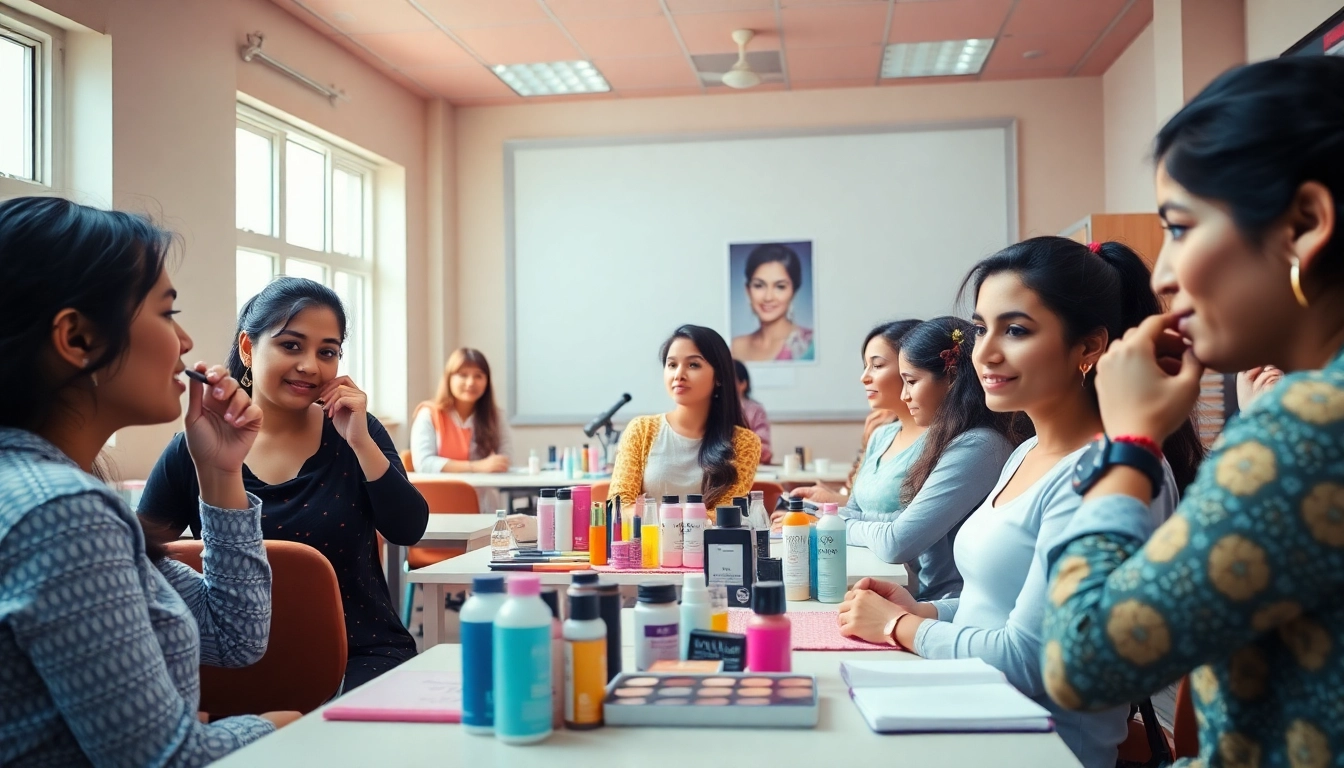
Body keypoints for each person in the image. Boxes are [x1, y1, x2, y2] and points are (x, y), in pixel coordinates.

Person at [1040, 56, 1344, 768]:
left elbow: (1079, 662)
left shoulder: (1309, 427)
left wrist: (1132, 443)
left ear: (1304, 224)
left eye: (1179, 228)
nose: (1163, 275)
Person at [838, 236, 1205, 768]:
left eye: (1016, 330)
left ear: (1089, 348)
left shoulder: (1113, 472)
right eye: (982, 328)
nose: (983, 352)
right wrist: (928, 609)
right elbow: (1001, 603)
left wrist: (900, 627)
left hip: (1043, 746)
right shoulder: (1026, 450)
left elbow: (1030, 660)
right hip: (979, 712)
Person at [0, 197, 297, 766]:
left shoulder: (48, 493)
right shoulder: (60, 514)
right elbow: (166, 761)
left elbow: (234, 636)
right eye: (166, 313)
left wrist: (218, 473)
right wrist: (274, 727)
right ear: (78, 339)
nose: (184, 343)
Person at [140, 277, 429, 692]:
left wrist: (361, 442)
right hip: (231, 663)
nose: (310, 365)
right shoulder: (198, 446)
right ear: (247, 348)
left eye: (327, 352)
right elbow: (138, 558)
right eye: (291, 345)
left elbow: (408, 529)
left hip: (362, 654)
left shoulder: (355, 434)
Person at [842, 317, 1019, 599]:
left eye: (910, 381)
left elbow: (896, 542)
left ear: (950, 378)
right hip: (923, 597)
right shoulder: (951, 439)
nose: (904, 395)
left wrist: (841, 524)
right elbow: (898, 522)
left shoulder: (978, 445)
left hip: (941, 602)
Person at [610, 324, 762, 521]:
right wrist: (684, 517)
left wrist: (655, 515)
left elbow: (723, 518)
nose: (678, 375)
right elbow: (618, 508)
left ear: (719, 377)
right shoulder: (641, 430)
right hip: (647, 548)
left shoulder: (744, 443)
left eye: (693, 365)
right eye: (672, 365)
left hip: (708, 550)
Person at [788, 320, 921, 508]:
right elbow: (858, 508)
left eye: (877, 365)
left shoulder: (939, 440)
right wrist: (828, 502)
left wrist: (825, 516)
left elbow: (900, 526)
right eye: (865, 366)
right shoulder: (881, 435)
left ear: (911, 367)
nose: (864, 377)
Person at [411, 347, 512, 511]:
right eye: (463, 375)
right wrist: (478, 466)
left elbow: (505, 459)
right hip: (438, 503)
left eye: (478, 375)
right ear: (449, 378)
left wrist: (493, 465)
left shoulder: (496, 416)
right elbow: (423, 463)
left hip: (483, 504)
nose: (471, 382)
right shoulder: (428, 414)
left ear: (487, 381)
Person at [730, 243, 815, 362]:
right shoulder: (734, 348)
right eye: (759, 285)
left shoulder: (811, 345)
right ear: (748, 290)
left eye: (780, 287)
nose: (768, 297)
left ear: (794, 291)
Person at [733, 359, 773, 464]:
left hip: (751, 468)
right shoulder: (712, 408)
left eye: (729, 380)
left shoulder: (755, 411)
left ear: (743, 384)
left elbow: (764, 449)